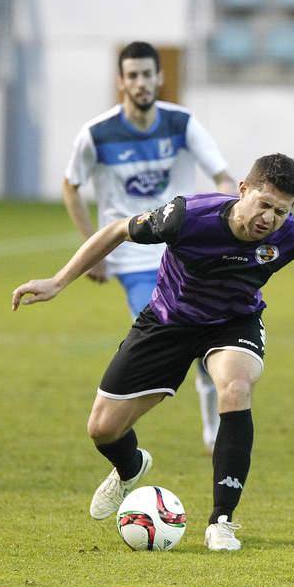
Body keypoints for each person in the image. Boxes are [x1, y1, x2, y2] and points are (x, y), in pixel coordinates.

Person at [13, 153, 294, 551]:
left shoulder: (289, 235)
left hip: (234, 322)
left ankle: (221, 521)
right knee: (102, 429)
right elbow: (117, 230)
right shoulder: (186, 217)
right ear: (243, 189)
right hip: (169, 321)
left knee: (235, 387)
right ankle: (130, 467)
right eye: (264, 204)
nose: (269, 219)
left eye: (281, 211)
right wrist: (58, 281)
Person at [63, 41, 237, 452]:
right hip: (132, 258)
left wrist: (223, 220)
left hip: (185, 252)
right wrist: (93, 249)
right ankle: (121, 425)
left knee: (206, 340)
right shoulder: (96, 134)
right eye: (133, 75)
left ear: (160, 77)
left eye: (147, 74)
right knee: (170, 334)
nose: (141, 82)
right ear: (121, 81)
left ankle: (212, 422)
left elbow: (224, 177)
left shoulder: (181, 123)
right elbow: (70, 186)